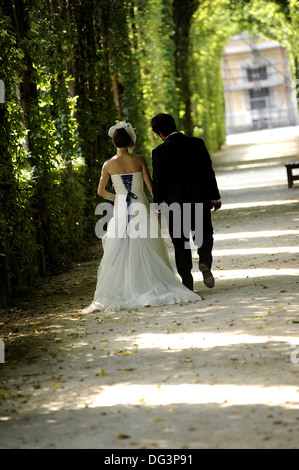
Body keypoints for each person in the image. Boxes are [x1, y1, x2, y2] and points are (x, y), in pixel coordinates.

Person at [82, 121, 200, 313]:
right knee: (146, 242)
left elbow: (101, 192)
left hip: (121, 207)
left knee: (121, 244)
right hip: (140, 205)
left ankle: (128, 284)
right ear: (130, 142)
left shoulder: (108, 165)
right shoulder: (139, 160)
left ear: (114, 142)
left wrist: (118, 198)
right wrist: (161, 203)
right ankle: (149, 281)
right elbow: (151, 187)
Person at [151, 113, 221, 291]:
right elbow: (208, 172)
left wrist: (157, 205)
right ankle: (204, 262)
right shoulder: (197, 143)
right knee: (204, 234)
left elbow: (158, 182)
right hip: (199, 199)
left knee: (180, 242)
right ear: (175, 125)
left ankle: (187, 282)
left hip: (174, 204)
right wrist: (215, 196)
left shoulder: (159, 152)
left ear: (160, 133)